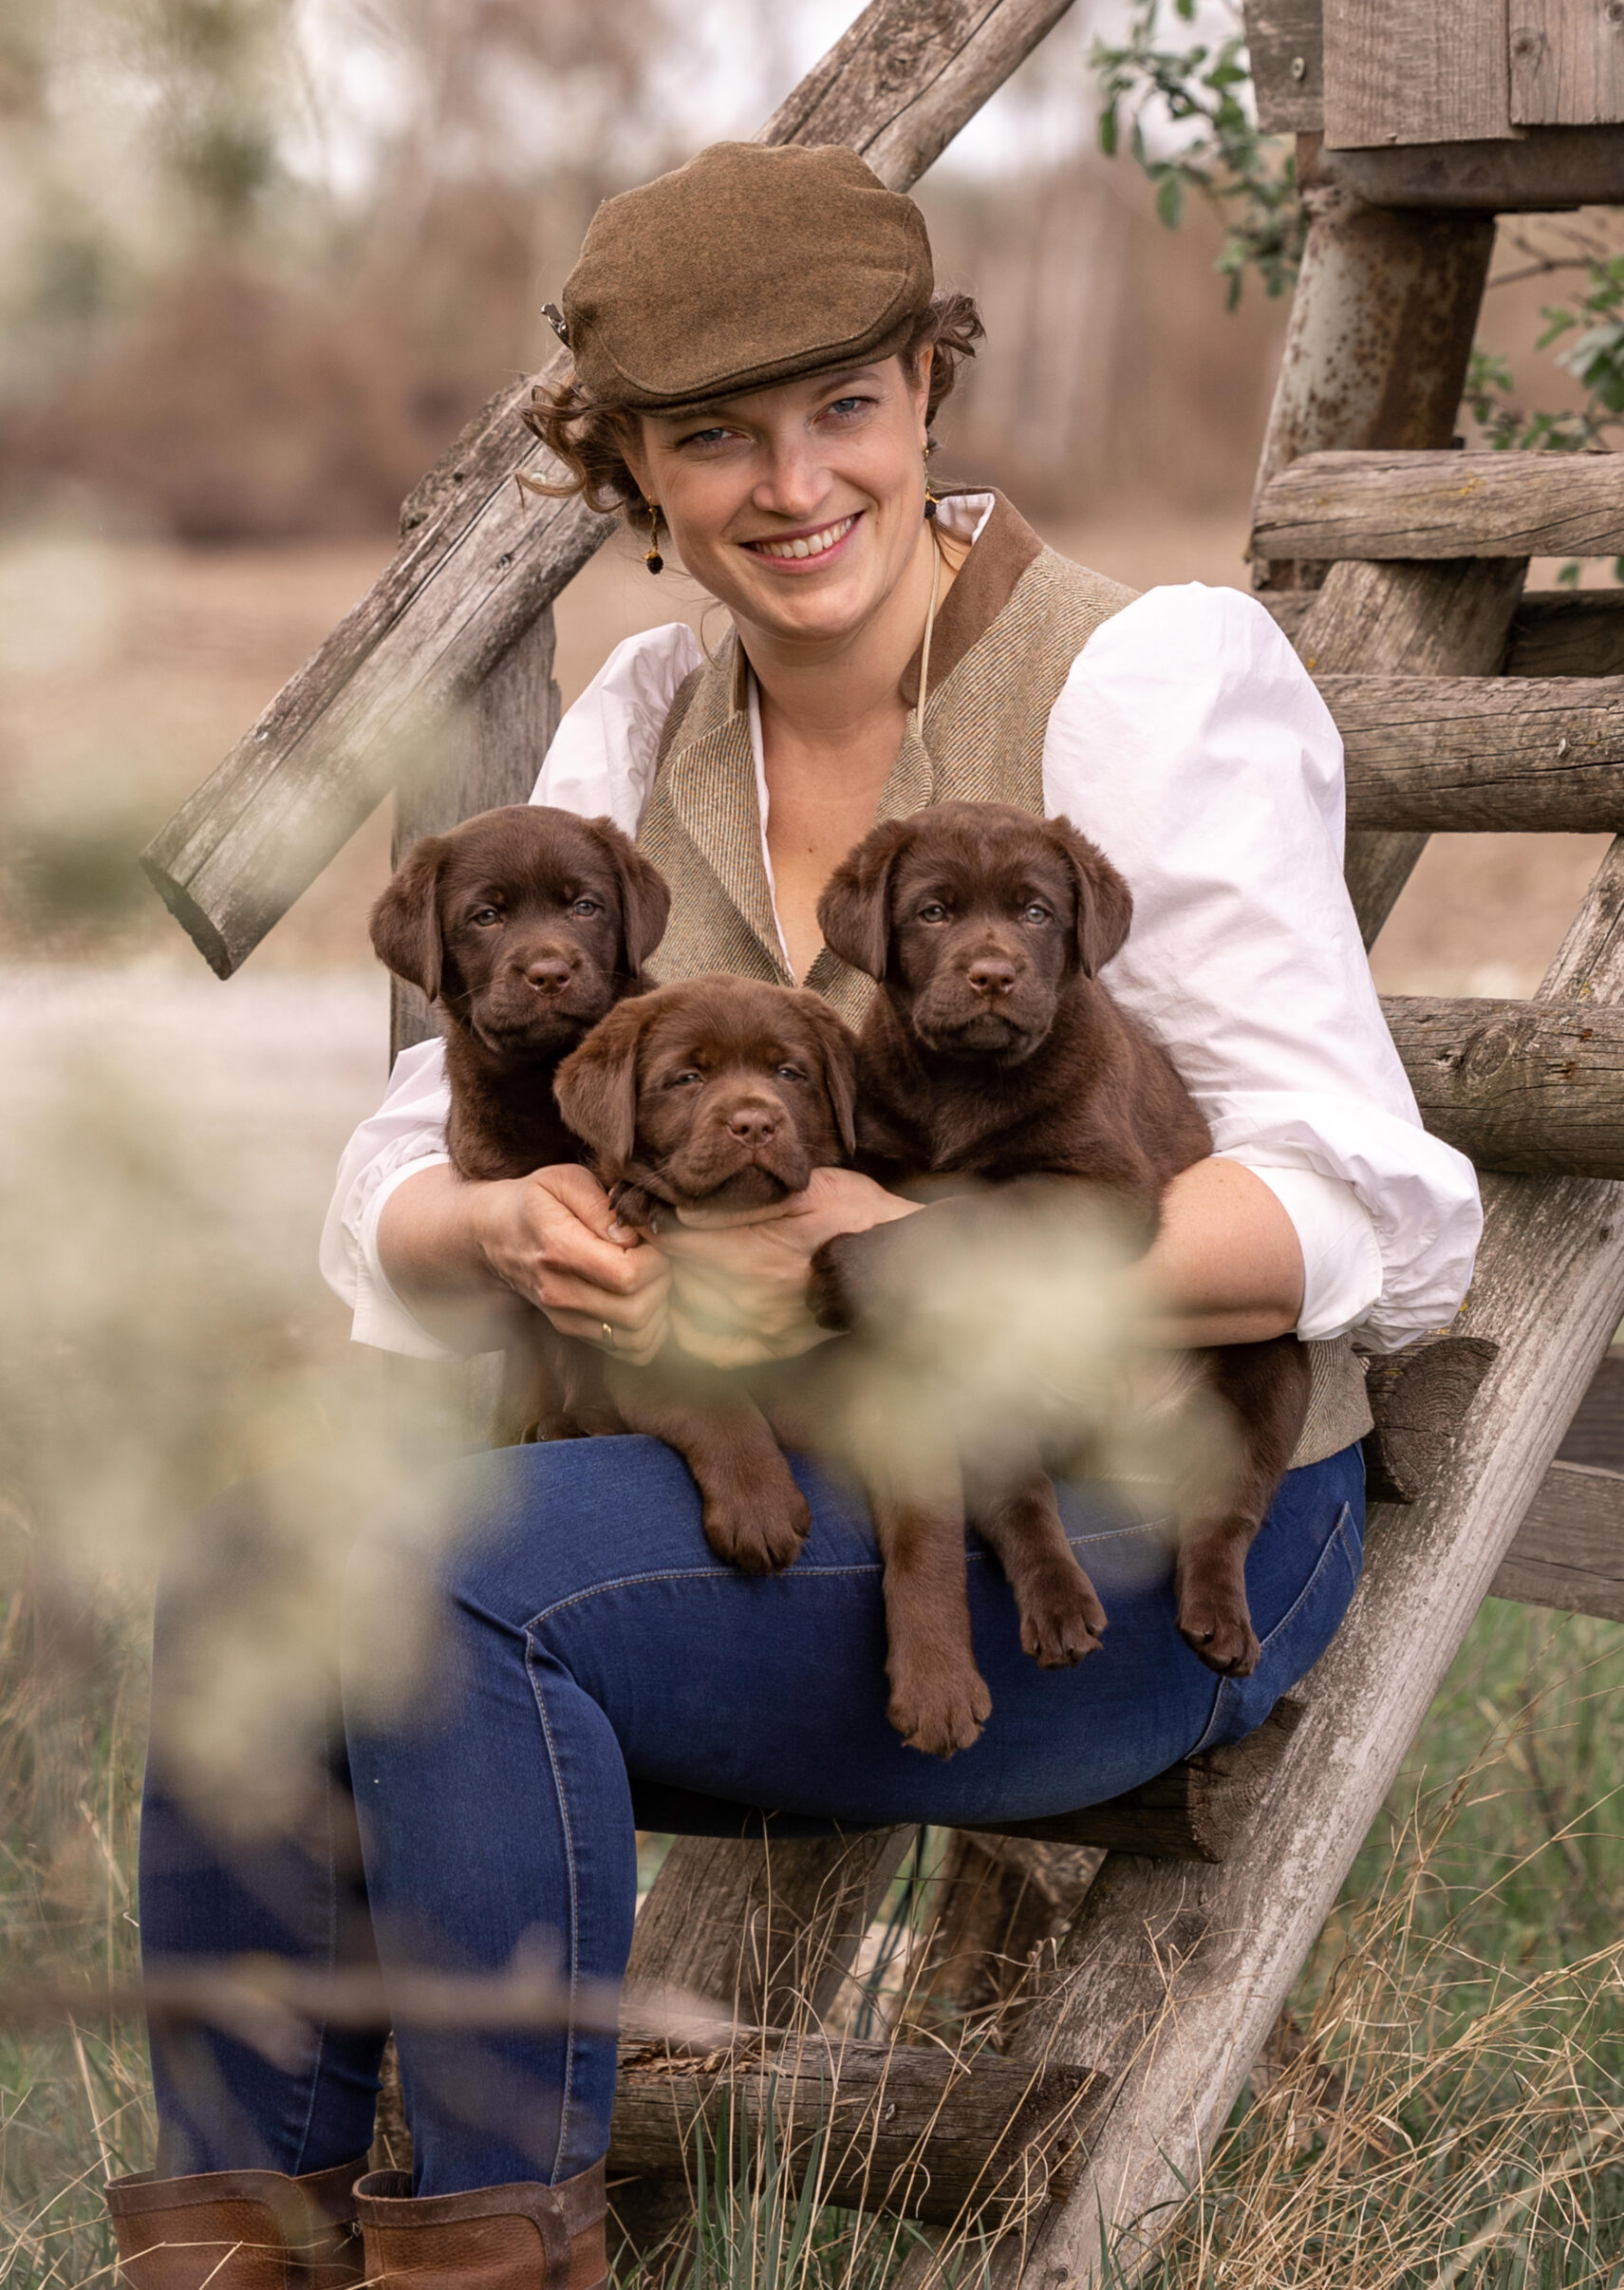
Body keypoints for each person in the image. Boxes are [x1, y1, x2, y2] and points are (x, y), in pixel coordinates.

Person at [116, 141, 1481, 2290]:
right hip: (793, 1476)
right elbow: (409, 1152)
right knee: (244, 1557)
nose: (792, 483)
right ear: (632, 475)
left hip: (1124, 1520)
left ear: (927, 388)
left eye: (844, 404)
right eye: (713, 438)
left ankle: (495, 2252)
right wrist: (502, 1235)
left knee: (451, 1576)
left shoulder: (1138, 679)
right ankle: (237, 2254)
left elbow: (1358, 1210)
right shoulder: (646, 722)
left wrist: (898, 1247)